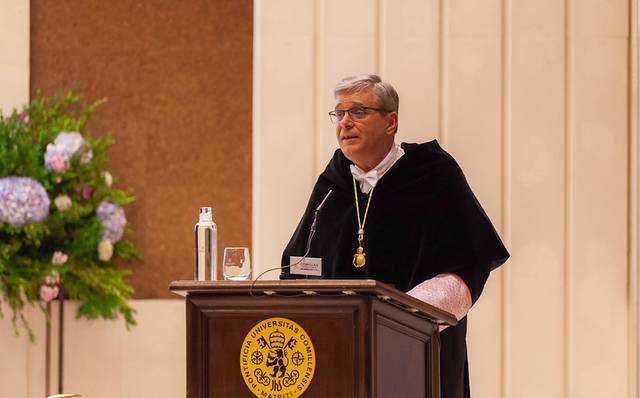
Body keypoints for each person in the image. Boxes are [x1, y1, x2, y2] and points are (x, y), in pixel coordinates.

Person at [280, 74, 509, 398]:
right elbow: (300, 264)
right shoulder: (332, 185)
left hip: (418, 351)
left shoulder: (433, 174)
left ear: (391, 122)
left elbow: (466, 263)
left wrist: (394, 321)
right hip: (340, 357)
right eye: (339, 113)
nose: (345, 122)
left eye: (358, 112)